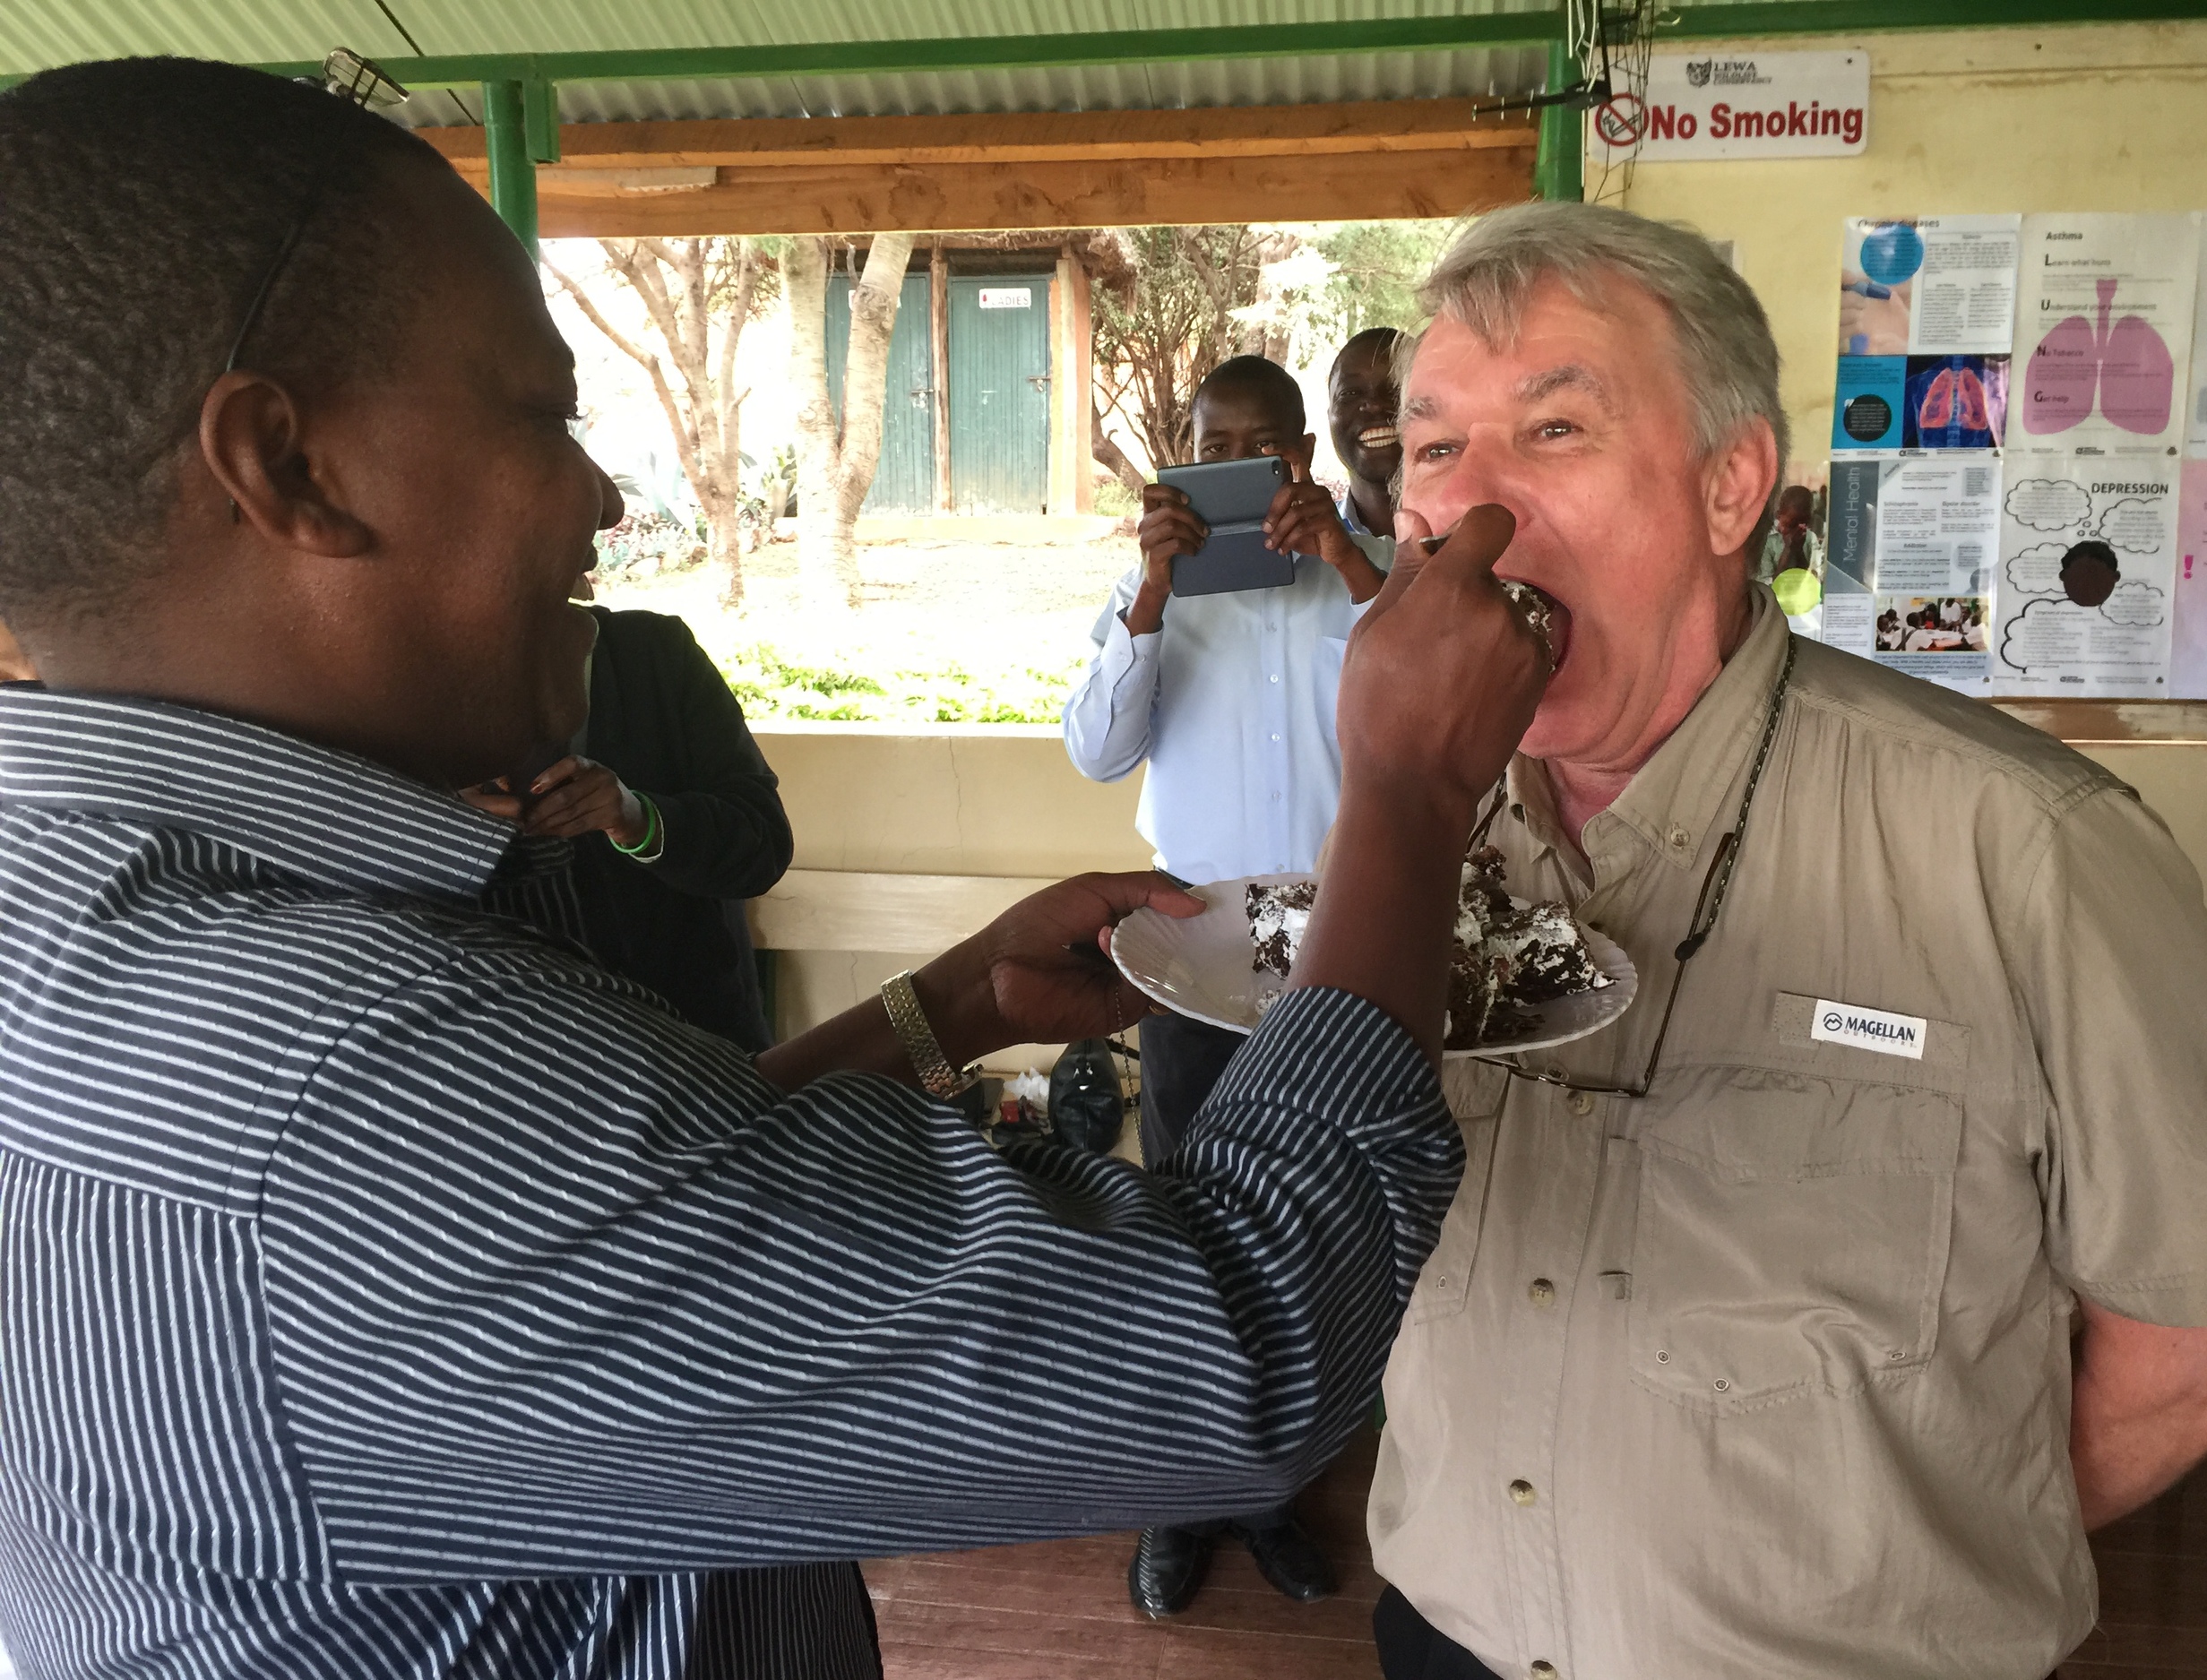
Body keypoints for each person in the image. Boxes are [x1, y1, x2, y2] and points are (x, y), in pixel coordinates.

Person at [0, 59, 1555, 1680]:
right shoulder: (331, 1068)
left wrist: (933, 1013)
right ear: (292, 469)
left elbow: (616, 1247)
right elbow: (1234, 1349)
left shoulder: (80, 912)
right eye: (542, 415)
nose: (602, 498)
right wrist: (1409, 780)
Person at [1371, 199, 2207, 1680]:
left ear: (1730, 491)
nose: (1472, 506)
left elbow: (2198, 1349)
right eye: (1436, 446)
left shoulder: (2027, 851)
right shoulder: (1409, 833)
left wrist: (1920, 1558)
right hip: (1445, 1634)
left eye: (1556, 430)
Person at [1064, 352, 1391, 1620]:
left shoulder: (1361, 573)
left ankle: (1268, 1488)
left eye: (1266, 446)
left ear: (1300, 453)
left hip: (1331, 948)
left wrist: (1352, 565)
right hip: (1192, 947)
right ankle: (1178, 1490)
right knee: (1186, 1231)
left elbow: (1426, 705)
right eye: (1216, 445)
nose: (1245, 467)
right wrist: (1153, 585)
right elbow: (1096, 751)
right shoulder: (1151, 588)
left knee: (1308, 1228)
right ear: (1184, 453)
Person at [465, 584, 794, 1050]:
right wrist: (437, 817)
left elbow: (762, 845)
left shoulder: (652, 655)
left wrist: (639, 819)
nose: (611, 514)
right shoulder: (391, 684)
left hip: (693, 1043)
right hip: (518, 1052)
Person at [1327, 326, 1407, 545]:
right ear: (1330, 415)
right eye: (1350, 393)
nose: (1374, 405)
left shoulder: (1485, 535)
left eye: (1396, 387)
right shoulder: (1306, 547)